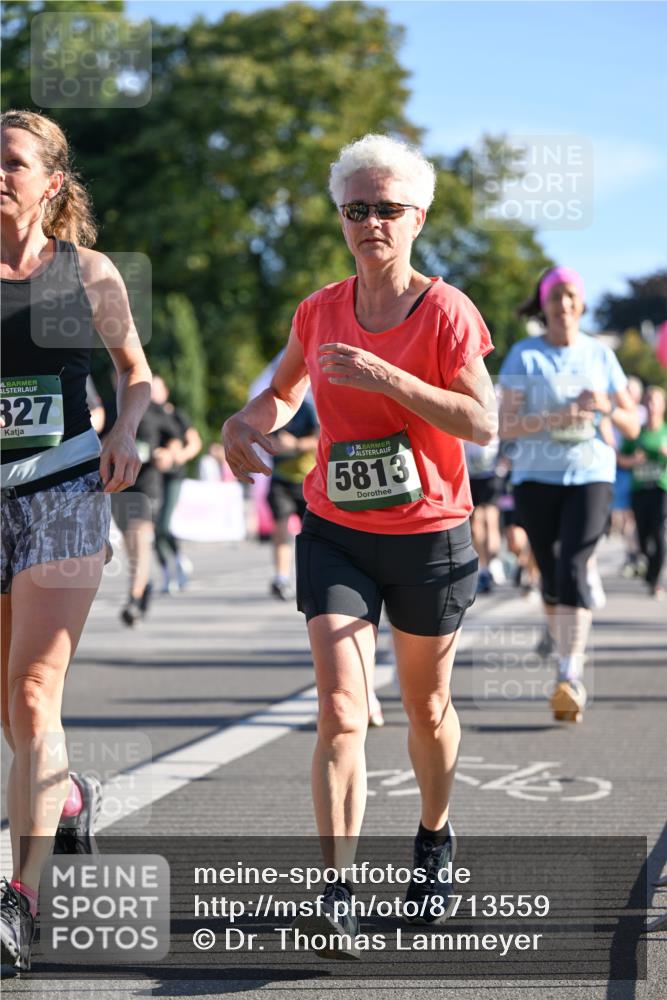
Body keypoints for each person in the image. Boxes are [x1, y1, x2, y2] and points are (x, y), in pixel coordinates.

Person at [223, 133, 496, 957]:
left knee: (424, 708)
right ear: (341, 217)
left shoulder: (446, 311)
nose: (370, 222)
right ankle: (336, 890)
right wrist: (244, 422)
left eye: (386, 208)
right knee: (341, 710)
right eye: (355, 209)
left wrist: (391, 382)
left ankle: (434, 838)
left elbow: (483, 423)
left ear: (417, 216)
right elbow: (280, 392)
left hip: (428, 536)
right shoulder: (320, 309)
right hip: (337, 531)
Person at [0, 109, 151, 971]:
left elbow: (136, 372)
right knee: (17, 718)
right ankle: (68, 798)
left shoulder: (88, 273)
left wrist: (127, 428)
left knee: (31, 692)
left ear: (51, 182)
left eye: (13, 162)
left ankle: (18, 900)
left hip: (61, 491)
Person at [498, 266, 639, 723]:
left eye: (571, 295)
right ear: (543, 304)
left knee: (574, 564)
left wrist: (608, 411)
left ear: (581, 303)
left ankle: (568, 675)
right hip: (536, 478)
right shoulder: (524, 356)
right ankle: (560, 637)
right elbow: (505, 427)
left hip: (590, 474)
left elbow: (633, 423)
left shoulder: (600, 355)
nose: (563, 304)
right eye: (555, 296)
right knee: (551, 570)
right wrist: (557, 417)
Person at [109, 375, 183, 624]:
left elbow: (176, 438)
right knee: (129, 541)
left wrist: (169, 452)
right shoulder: (108, 408)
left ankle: (133, 596)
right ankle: (142, 583)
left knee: (139, 536)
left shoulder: (152, 409)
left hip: (147, 484)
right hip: (118, 484)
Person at [151, 375, 202, 594]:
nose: (152, 393)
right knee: (154, 527)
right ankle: (166, 571)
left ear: (165, 391)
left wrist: (177, 456)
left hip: (172, 476)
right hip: (150, 477)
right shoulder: (142, 414)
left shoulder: (175, 415)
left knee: (163, 523)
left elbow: (194, 442)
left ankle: (178, 560)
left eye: (156, 388)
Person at [267, 398, 319, 601]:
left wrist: (295, 445)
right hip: (280, 479)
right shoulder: (273, 408)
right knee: (280, 527)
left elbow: (319, 439)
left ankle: (312, 578)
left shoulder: (307, 408)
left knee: (312, 534)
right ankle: (281, 578)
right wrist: (275, 445)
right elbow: (264, 438)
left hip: (307, 479)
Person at [618, 385, 667, 598]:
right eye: (648, 401)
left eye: (655, 401)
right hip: (640, 490)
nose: (651, 405)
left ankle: (655, 580)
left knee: (659, 534)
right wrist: (633, 460)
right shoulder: (636, 432)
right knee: (643, 535)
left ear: (663, 405)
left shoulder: (665, 432)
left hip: (661, 489)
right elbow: (620, 458)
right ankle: (649, 569)